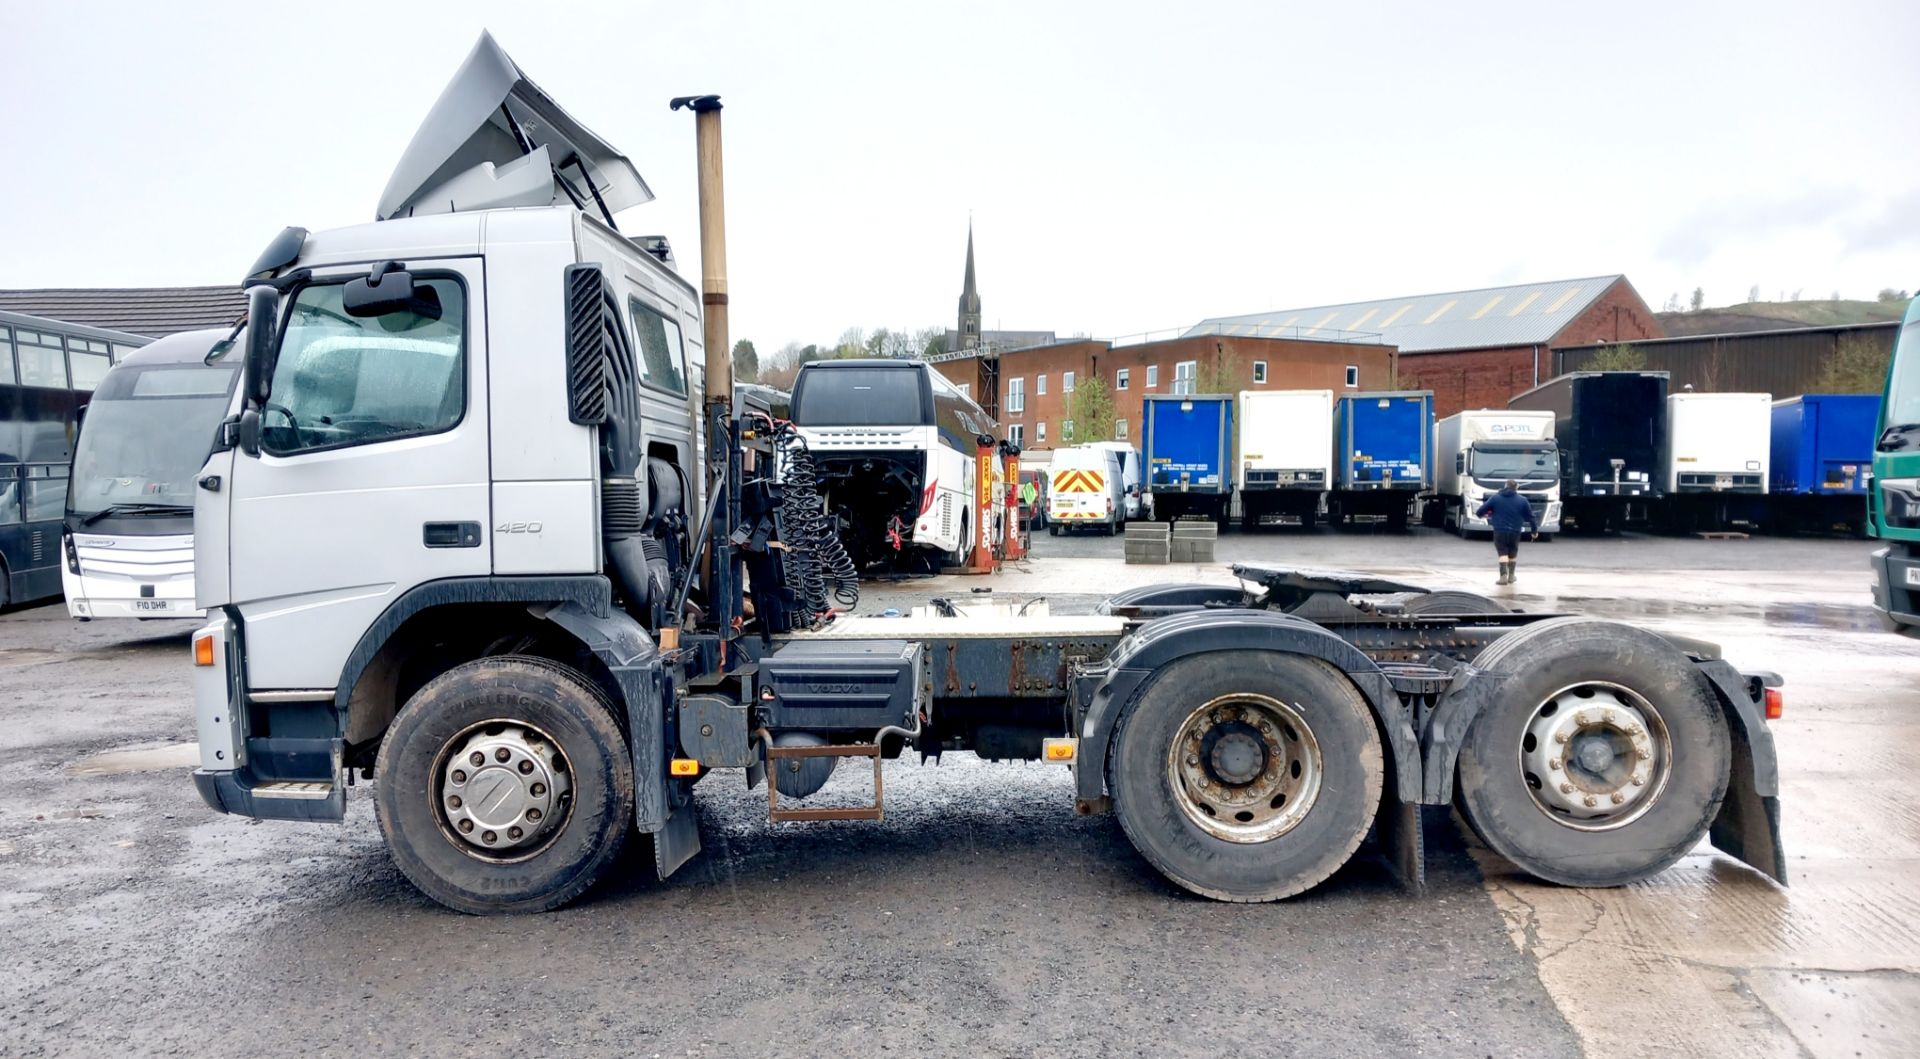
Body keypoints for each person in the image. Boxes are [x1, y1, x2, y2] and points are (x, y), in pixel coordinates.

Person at [1475, 479, 1539, 585]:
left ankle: (1503, 576)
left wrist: (1484, 515)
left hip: (1499, 530)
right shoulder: (1523, 500)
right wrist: (1534, 531)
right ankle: (1512, 576)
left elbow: (1480, 511)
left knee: (1502, 552)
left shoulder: (1495, 498)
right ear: (1516, 488)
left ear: (1505, 486)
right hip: (1515, 531)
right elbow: (1531, 517)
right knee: (1513, 552)